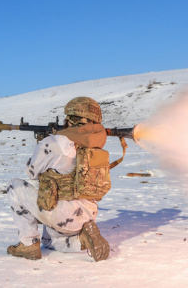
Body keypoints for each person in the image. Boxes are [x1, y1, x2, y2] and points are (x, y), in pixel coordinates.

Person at [6, 96, 110, 262]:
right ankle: (82, 239)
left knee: (14, 186)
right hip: (88, 215)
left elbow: (32, 173)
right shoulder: (97, 144)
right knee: (49, 242)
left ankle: (28, 244)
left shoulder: (56, 142)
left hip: (62, 215)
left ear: (69, 119)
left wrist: (43, 144)